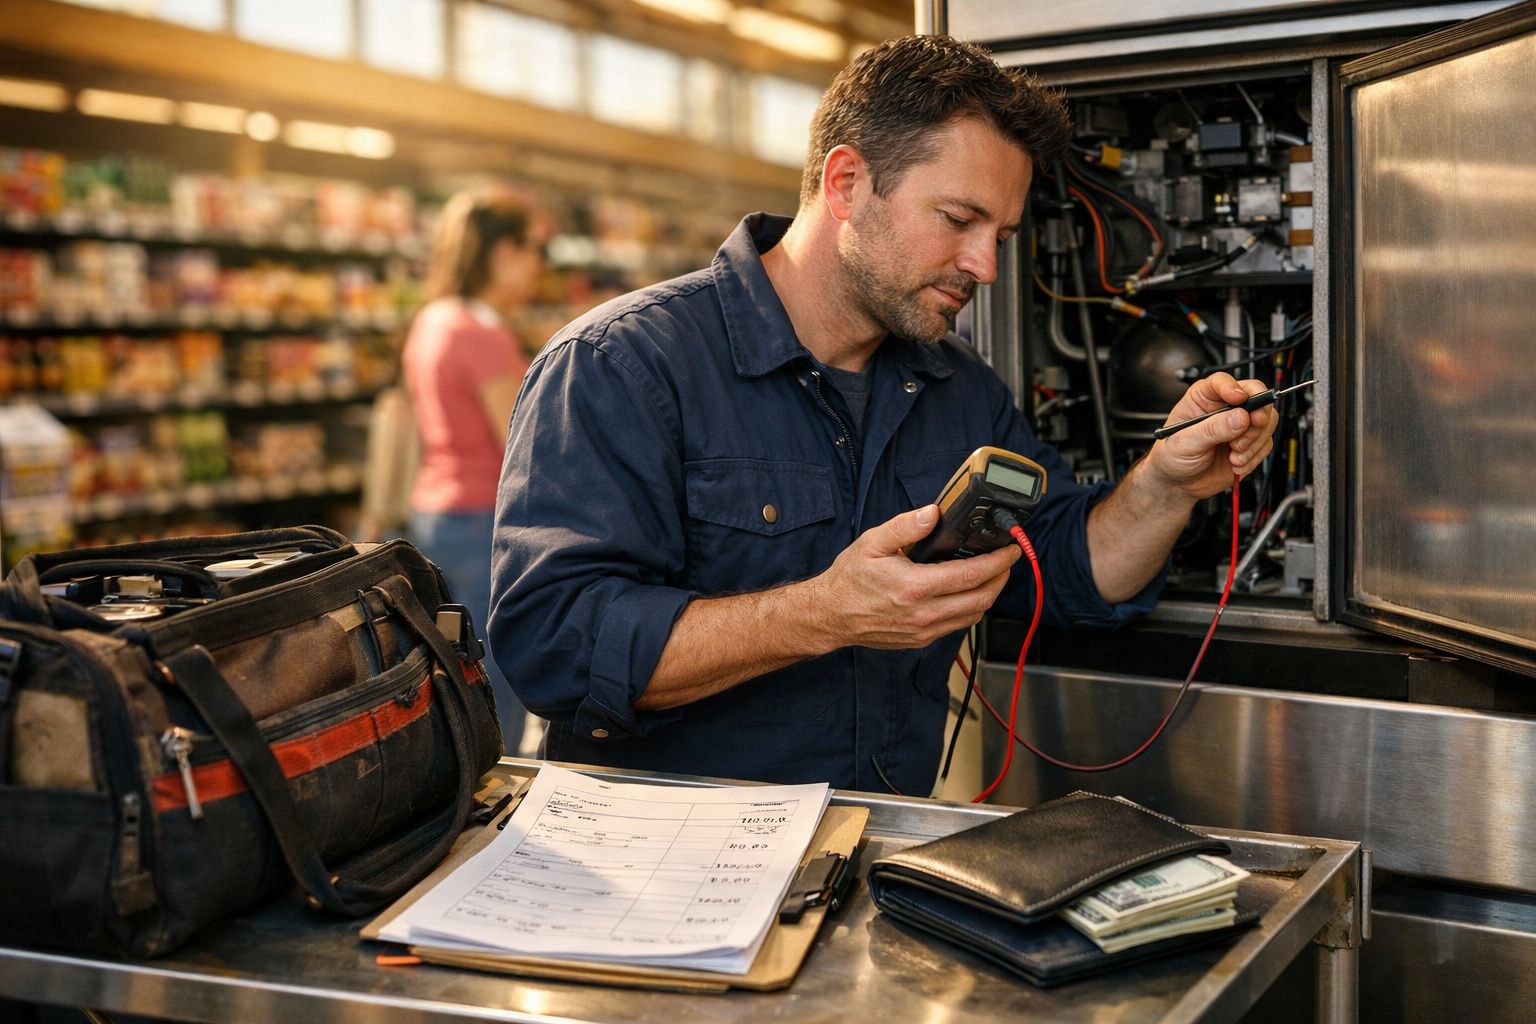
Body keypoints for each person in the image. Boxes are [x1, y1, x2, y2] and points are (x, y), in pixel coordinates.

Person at [488, 35, 1278, 795]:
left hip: (870, 856)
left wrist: (1167, 483)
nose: (986, 266)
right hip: (663, 876)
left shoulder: (960, 389)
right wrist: (822, 615)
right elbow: (556, 648)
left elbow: (1070, 570)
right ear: (846, 184)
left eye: (1000, 235)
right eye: (959, 220)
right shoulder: (622, 364)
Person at [404, 191, 541, 754]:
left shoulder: (432, 318)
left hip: (435, 514)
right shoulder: (482, 331)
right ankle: (495, 783)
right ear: (504, 251)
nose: (539, 265)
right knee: (495, 674)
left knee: (451, 667)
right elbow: (520, 437)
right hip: (482, 517)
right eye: (535, 249)